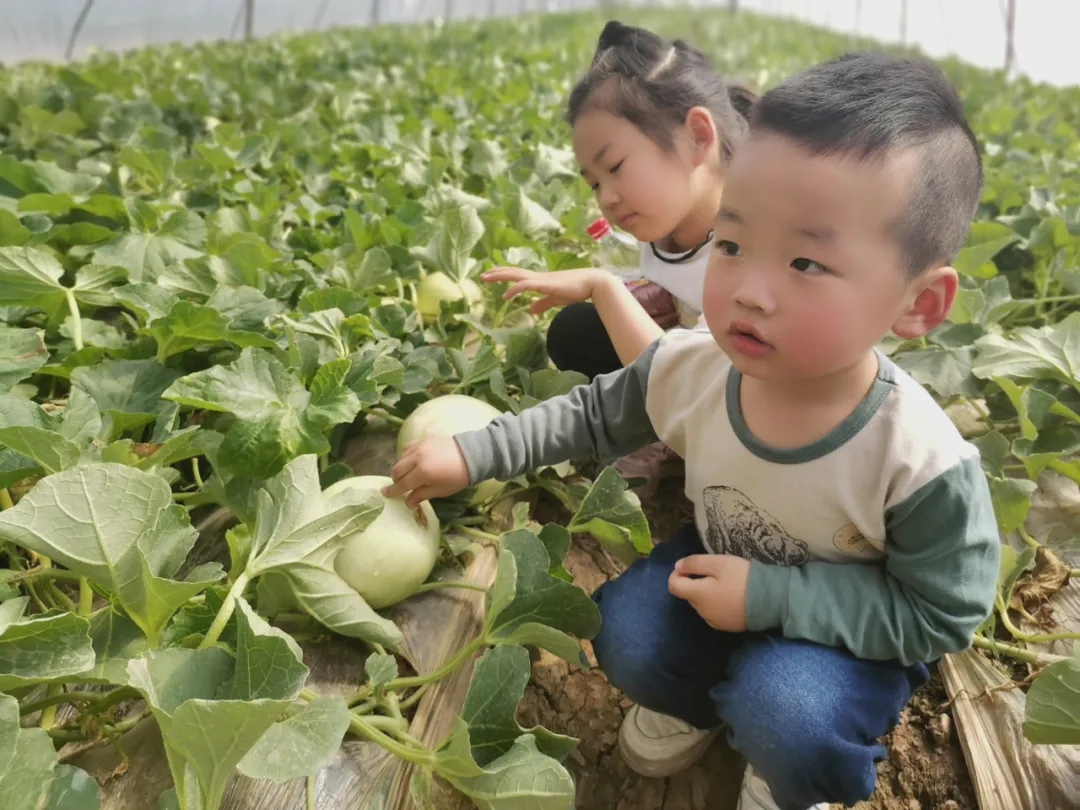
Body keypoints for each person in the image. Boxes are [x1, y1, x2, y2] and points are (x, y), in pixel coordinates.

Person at [385, 50, 1001, 810]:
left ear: (920, 306)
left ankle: (793, 780)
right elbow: (589, 413)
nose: (748, 292)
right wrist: (473, 453)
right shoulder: (697, 368)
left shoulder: (919, 461)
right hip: (724, 563)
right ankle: (693, 705)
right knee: (624, 636)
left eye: (806, 261)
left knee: (789, 717)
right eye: (733, 245)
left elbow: (939, 615)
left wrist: (771, 598)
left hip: (847, 635)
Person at [482, 20, 756, 501]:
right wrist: (627, 290)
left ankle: (674, 443)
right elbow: (676, 289)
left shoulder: (760, 241)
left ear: (696, 135)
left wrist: (603, 286)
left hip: (757, 402)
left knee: (613, 315)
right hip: (699, 366)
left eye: (615, 168)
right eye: (593, 183)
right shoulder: (670, 218)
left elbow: (695, 378)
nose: (605, 198)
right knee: (577, 330)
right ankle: (663, 439)